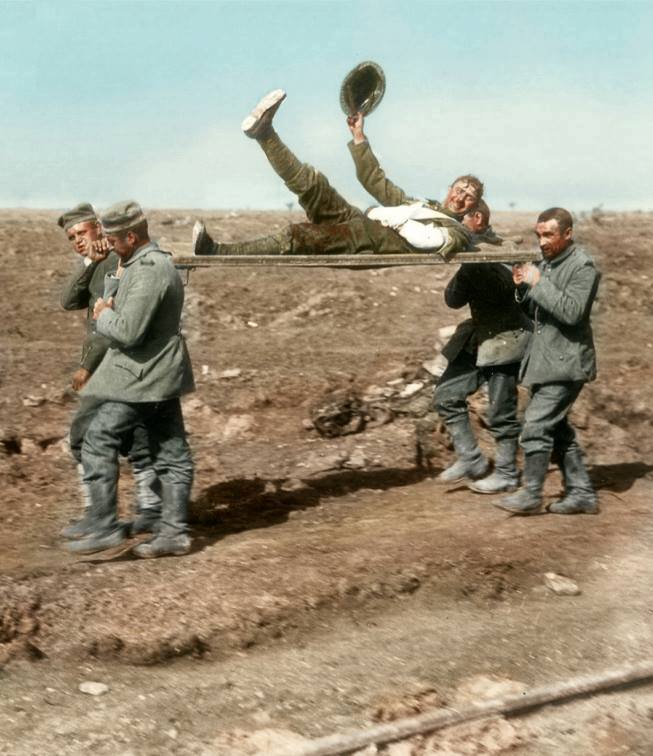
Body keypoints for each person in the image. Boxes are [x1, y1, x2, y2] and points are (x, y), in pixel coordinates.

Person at [192, 90, 482, 259]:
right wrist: (359, 136)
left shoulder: (457, 232)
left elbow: (427, 241)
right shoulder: (422, 204)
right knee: (313, 183)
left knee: (297, 236)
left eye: (469, 197)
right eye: (460, 189)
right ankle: (264, 134)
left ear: (472, 207)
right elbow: (375, 182)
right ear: (450, 188)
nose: (461, 197)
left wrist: (393, 217)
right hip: (358, 221)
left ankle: (215, 251)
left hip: (363, 240)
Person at [66, 201, 195, 556]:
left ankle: (106, 525)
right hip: (155, 373)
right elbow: (115, 301)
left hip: (143, 377)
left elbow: (128, 330)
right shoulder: (137, 263)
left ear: (132, 236)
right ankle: (174, 533)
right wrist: (113, 280)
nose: (105, 243)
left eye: (111, 237)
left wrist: (104, 314)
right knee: (170, 451)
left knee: (98, 439)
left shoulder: (152, 269)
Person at [58, 203, 161, 540]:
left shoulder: (118, 261)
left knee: (89, 437)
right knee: (130, 436)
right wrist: (90, 261)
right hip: (112, 363)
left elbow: (109, 323)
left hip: (112, 363)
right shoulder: (100, 263)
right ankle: (133, 512)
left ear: (100, 229)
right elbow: (69, 300)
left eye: (82, 233)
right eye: (71, 237)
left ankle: (109, 516)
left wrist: (87, 367)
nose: (76, 240)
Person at [495, 207, 600, 515]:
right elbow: (533, 313)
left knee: (536, 425)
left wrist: (538, 281)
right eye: (538, 235)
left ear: (568, 233)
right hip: (546, 361)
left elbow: (571, 312)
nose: (541, 242)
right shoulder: (548, 263)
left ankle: (531, 494)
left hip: (567, 363)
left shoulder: (583, 267)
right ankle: (581, 492)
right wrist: (520, 288)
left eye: (548, 235)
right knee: (557, 429)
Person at [433, 200, 533, 491]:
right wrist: (467, 264)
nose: (453, 225)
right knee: (446, 395)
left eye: (459, 219)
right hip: (480, 336)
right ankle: (471, 459)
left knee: (501, 410)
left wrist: (474, 265)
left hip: (507, 338)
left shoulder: (503, 248)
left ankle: (506, 474)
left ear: (477, 217)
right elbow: (452, 299)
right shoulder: (469, 251)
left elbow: (517, 289)